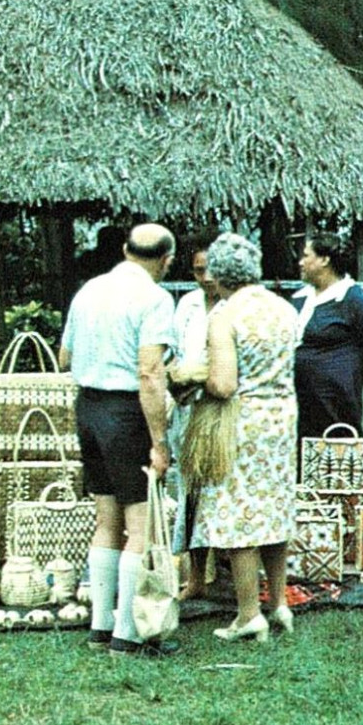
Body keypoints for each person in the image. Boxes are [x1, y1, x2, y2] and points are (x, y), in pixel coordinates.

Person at [58, 222, 177, 656]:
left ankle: (100, 626)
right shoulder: (155, 298)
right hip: (126, 413)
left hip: (87, 407)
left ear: (126, 249)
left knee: (106, 520)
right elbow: (150, 373)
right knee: (139, 525)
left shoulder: (89, 290)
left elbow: (64, 356)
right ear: (166, 261)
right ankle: (127, 632)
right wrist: (160, 442)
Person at [190, 233, 301, 642]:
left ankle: (248, 613)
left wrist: (192, 380)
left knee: (239, 512)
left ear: (218, 274)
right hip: (282, 417)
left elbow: (222, 383)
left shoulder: (225, 315)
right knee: (274, 508)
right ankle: (280, 604)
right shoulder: (284, 309)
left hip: (243, 420)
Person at [166, 238, 226, 600]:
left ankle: (228, 575)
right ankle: (196, 577)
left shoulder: (234, 307)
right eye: (199, 270)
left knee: (223, 493)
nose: (206, 278)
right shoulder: (187, 305)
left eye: (212, 270)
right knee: (193, 494)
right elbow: (174, 355)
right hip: (189, 411)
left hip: (222, 408)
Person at [292, 231, 363, 440]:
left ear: (324, 260)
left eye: (306, 256)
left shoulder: (352, 298)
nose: (300, 262)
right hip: (301, 398)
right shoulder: (301, 298)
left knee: (337, 455)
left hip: (336, 401)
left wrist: (348, 369)